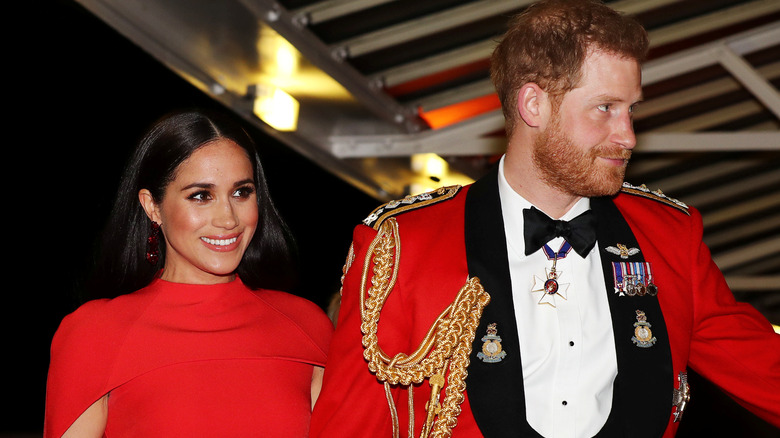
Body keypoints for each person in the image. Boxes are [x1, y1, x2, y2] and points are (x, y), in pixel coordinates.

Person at [309, 1, 780, 437]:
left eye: (631, 109)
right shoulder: (405, 244)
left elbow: (765, 371)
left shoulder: (670, 237)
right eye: (606, 108)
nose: (629, 135)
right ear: (533, 104)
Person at [44, 109, 333, 437]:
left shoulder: (306, 325)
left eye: (241, 192)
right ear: (153, 206)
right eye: (201, 196)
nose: (228, 219)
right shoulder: (95, 333)